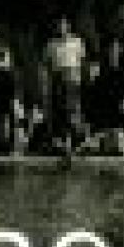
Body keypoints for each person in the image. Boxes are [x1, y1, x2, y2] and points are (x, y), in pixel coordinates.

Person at [43, 18, 87, 156]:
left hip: (72, 80)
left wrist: (78, 77)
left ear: (68, 26)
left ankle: (74, 141)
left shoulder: (77, 42)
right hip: (58, 79)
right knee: (59, 111)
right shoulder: (52, 44)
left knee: (73, 111)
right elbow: (47, 65)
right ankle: (61, 143)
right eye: (59, 25)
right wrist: (48, 82)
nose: (61, 28)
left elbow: (82, 61)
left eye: (63, 25)